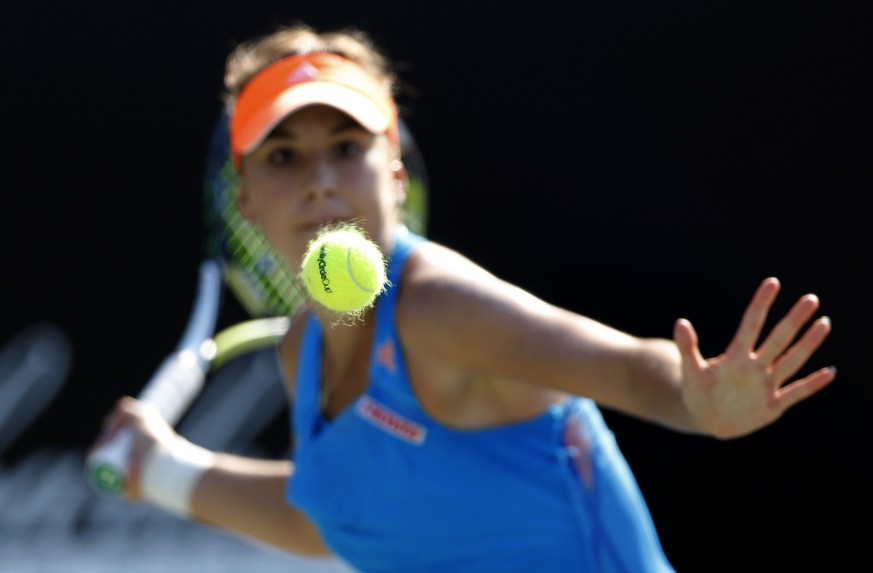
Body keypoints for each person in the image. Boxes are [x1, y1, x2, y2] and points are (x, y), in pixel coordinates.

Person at [91, 22, 836, 573]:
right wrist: (163, 470)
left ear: (395, 176)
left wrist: (694, 400)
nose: (319, 178)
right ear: (245, 203)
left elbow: (625, 369)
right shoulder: (301, 351)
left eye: (347, 148)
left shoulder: (439, 309)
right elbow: (342, 515)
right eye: (283, 157)